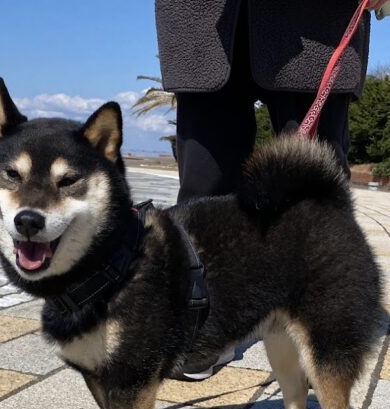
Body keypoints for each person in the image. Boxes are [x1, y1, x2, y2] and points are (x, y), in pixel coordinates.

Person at [154, 0, 372, 378]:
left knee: (314, 189)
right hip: (203, 22)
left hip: (321, 20)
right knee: (203, 188)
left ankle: (321, 325)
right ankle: (203, 321)